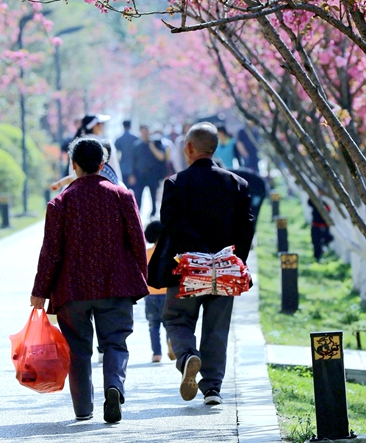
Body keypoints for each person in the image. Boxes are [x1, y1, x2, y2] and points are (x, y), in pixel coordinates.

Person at [31, 137, 149, 424]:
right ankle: (114, 386)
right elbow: (138, 241)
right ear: (102, 164)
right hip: (116, 285)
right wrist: (140, 278)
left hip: (72, 290)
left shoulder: (61, 202)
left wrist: (40, 292)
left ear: (73, 165)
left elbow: (51, 251)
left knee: (78, 350)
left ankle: (83, 409)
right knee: (116, 343)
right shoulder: (122, 196)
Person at [148, 122, 255, 406]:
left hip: (186, 271)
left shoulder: (174, 183)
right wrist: (232, 260)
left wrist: (194, 255)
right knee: (216, 329)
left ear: (189, 148)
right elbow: (246, 229)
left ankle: (186, 357)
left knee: (176, 318)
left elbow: (170, 224)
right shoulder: (237, 184)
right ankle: (212, 389)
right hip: (225, 271)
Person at [143, 221, 175, 363]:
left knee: (153, 325)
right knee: (169, 323)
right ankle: (172, 344)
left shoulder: (146, 253)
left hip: (150, 295)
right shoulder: (169, 253)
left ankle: (156, 353)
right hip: (167, 294)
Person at [131, 125, 169, 216]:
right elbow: (133, 161)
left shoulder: (156, 143)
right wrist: (132, 175)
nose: (144, 133)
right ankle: (138, 213)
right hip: (140, 174)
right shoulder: (136, 145)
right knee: (138, 195)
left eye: (146, 131)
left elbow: (162, 157)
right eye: (142, 131)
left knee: (153, 195)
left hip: (153, 174)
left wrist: (152, 146)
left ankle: (153, 213)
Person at [114, 120, 139, 186]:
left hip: (123, 167)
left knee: (124, 188)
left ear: (123, 126)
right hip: (136, 167)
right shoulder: (137, 137)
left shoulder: (119, 139)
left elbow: (116, 154)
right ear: (130, 126)